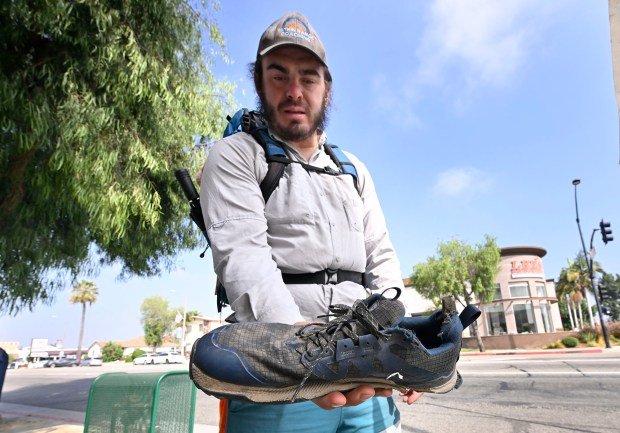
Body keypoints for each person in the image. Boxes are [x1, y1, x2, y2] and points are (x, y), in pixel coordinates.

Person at [200, 11, 422, 433]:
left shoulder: (352, 168)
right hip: (283, 379)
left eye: (309, 77)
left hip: (365, 372)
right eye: (279, 76)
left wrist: (404, 345)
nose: (294, 91)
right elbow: (244, 258)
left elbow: (381, 257)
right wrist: (305, 356)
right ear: (260, 83)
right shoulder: (235, 155)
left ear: (327, 89)